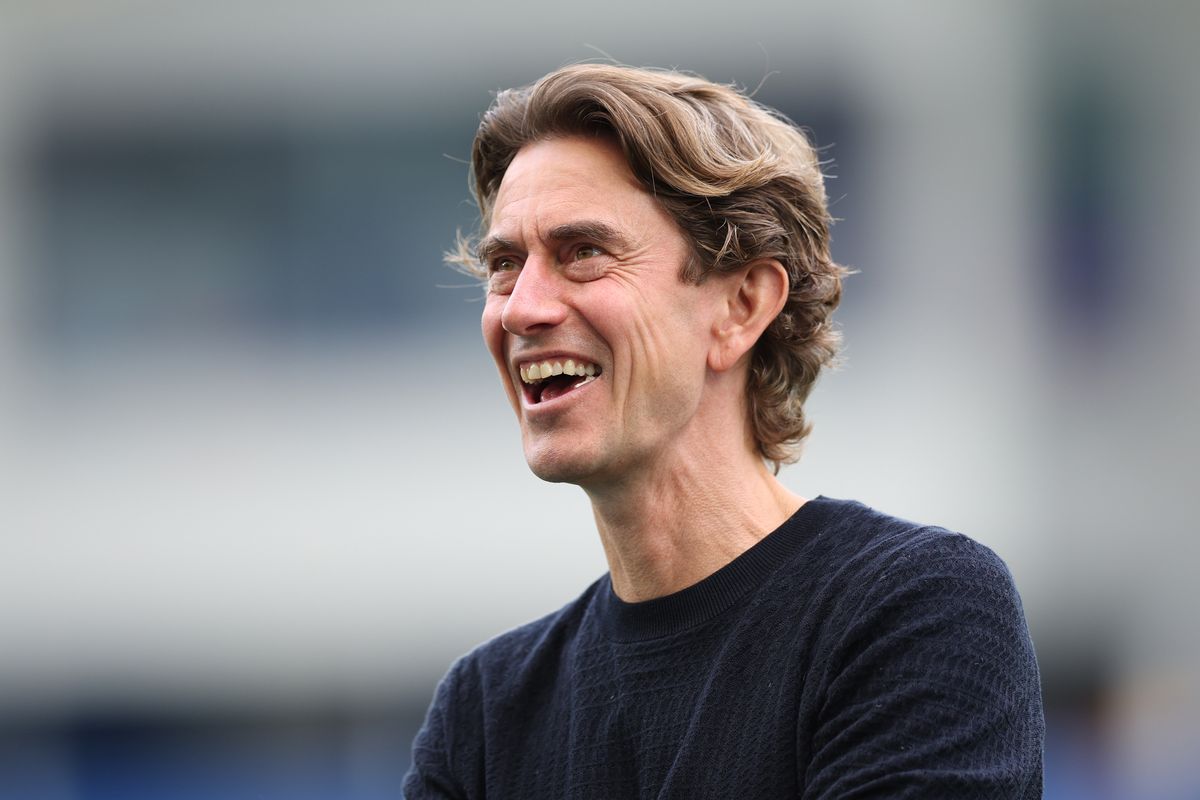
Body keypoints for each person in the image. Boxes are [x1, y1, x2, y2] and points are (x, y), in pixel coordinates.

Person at [404, 64, 1044, 798]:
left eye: (584, 252)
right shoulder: (483, 716)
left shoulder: (912, 611)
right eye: (505, 266)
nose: (522, 308)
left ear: (742, 305)